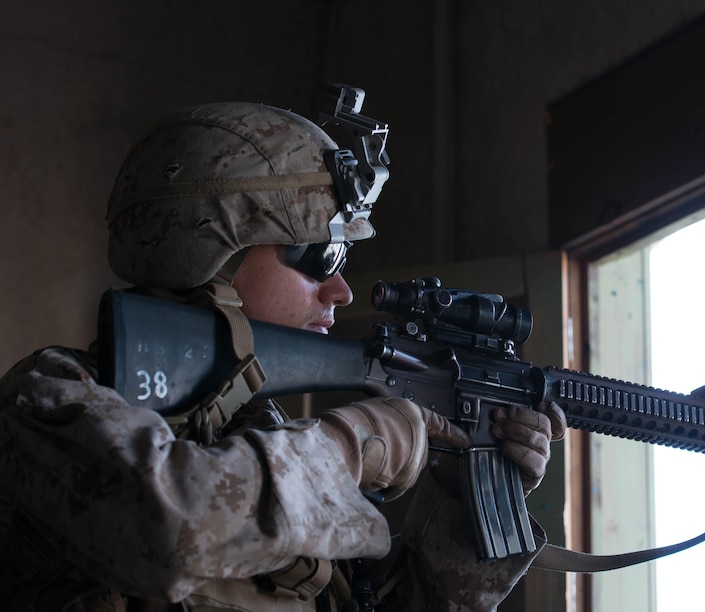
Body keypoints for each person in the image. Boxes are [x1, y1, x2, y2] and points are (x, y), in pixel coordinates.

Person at [0, 87, 565, 610]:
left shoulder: (263, 440)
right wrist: (353, 444)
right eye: (323, 258)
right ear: (207, 252)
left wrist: (462, 508)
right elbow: (168, 530)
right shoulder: (52, 399)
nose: (340, 291)